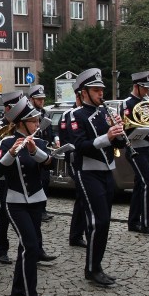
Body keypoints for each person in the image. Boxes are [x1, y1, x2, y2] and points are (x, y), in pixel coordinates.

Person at [68, 68, 126, 287]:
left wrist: (120, 132)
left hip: (106, 170)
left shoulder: (106, 113)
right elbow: (79, 146)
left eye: (102, 90)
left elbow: (118, 144)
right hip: (88, 171)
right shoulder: (76, 115)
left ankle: (97, 265)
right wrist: (106, 137)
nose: (101, 94)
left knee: (105, 221)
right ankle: (92, 269)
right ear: (84, 92)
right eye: (96, 90)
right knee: (97, 220)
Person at [0, 97, 51, 296]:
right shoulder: (6, 143)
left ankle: (17, 291)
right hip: (15, 202)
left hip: (36, 201)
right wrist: (10, 154)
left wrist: (36, 150)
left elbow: (49, 164)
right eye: (33, 121)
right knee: (31, 246)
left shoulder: (41, 142)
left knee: (26, 246)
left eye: (37, 121)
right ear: (21, 123)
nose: (37, 124)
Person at [121, 71, 149, 235]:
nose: (147, 92)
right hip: (133, 146)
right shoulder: (127, 103)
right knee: (148, 183)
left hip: (145, 146)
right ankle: (146, 223)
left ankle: (134, 221)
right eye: (144, 88)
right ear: (136, 86)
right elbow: (125, 126)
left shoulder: (146, 103)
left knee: (140, 184)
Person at [0, 90, 23, 264]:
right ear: (7, 108)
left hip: (22, 173)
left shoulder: (23, 123)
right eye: (15, 108)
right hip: (5, 175)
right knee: (3, 213)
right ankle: (1, 249)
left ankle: (36, 247)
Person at [27, 84, 58, 223]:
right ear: (32, 99)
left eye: (42, 99)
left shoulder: (45, 112)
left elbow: (51, 130)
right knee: (36, 180)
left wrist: (55, 139)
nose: (41, 102)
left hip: (44, 149)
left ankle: (43, 209)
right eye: (39, 99)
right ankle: (36, 209)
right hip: (32, 150)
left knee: (45, 180)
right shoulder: (28, 114)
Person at [60, 96, 87, 248]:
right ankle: (76, 235)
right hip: (74, 158)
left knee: (84, 197)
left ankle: (79, 233)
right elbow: (65, 138)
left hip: (86, 160)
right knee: (81, 197)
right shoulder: (69, 114)